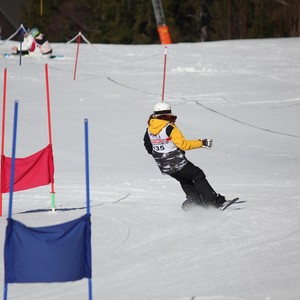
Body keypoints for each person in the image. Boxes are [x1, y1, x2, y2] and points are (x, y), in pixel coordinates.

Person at [143, 101, 227, 210]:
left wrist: (160, 155)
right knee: (197, 174)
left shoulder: (149, 129)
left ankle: (194, 201)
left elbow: (148, 146)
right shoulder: (170, 128)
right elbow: (184, 145)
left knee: (185, 179)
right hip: (177, 162)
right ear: (169, 114)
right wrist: (202, 143)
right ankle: (212, 201)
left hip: (164, 166)